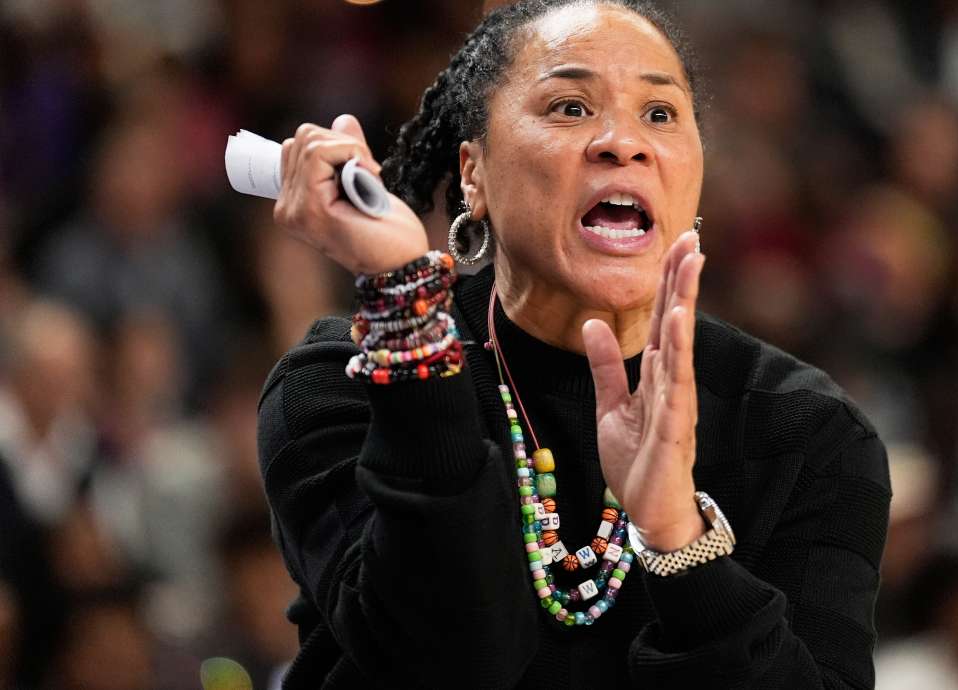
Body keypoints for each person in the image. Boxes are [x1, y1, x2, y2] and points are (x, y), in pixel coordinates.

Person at [257, 1, 891, 687]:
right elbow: (440, 662)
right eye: (570, 107)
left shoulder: (808, 433)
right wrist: (409, 320)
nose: (624, 142)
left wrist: (678, 536)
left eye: (659, 114)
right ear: (473, 172)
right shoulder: (343, 384)